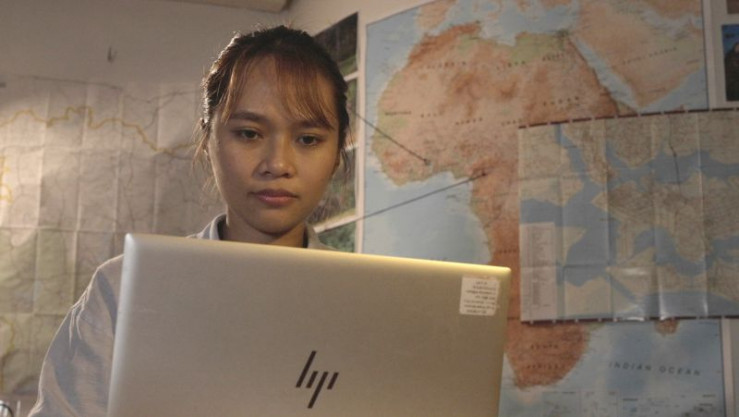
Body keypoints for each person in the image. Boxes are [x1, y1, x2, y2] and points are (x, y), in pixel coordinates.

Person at [28, 25, 350, 416]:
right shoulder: (124, 291)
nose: (278, 164)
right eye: (249, 133)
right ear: (207, 139)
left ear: (337, 151)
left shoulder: (368, 304)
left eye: (308, 139)